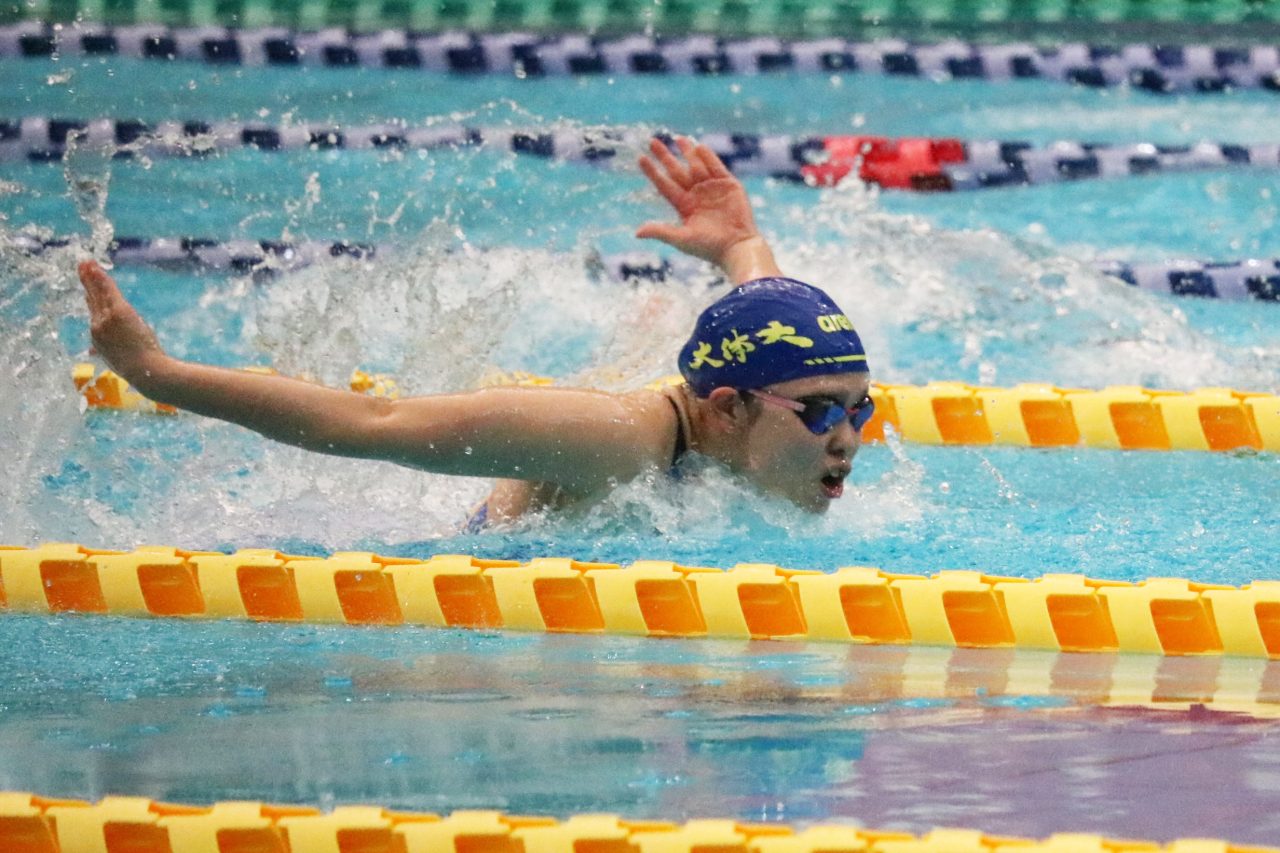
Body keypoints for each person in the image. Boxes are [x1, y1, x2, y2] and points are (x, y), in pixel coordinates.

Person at [77, 137, 874, 528]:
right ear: (728, 406)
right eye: (821, 412)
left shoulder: (749, 418)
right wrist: (159, 375)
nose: (849, 438)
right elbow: (375, 423)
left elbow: (767, 315)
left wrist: (739, 245)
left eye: (859, 407)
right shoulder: (609, 439)